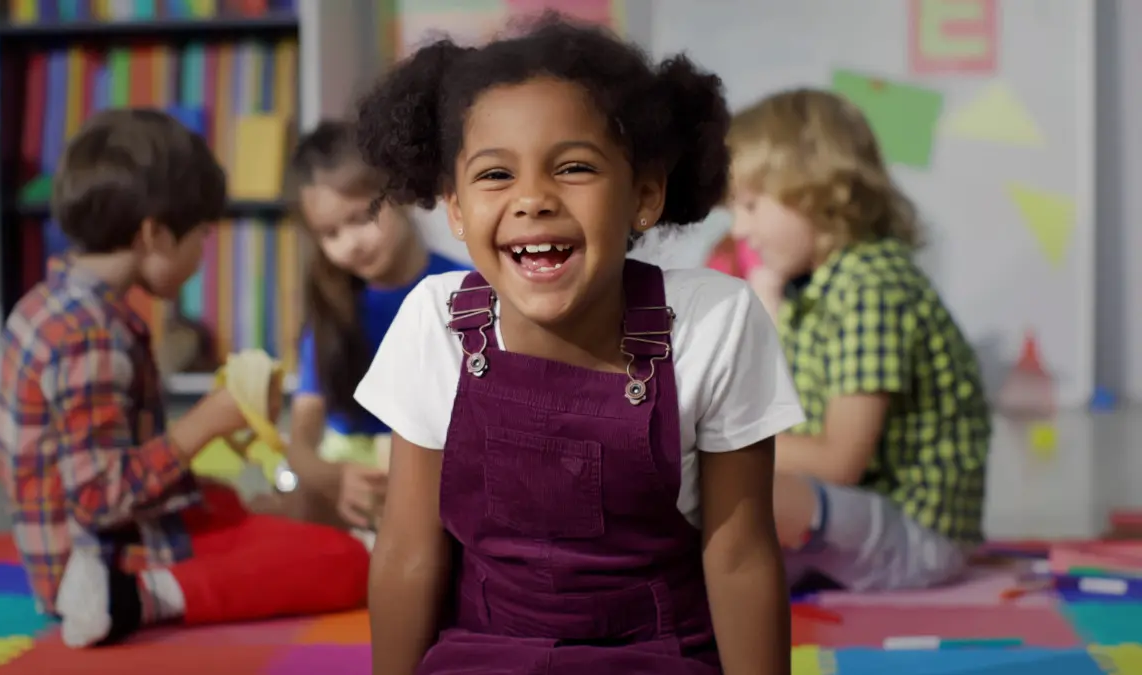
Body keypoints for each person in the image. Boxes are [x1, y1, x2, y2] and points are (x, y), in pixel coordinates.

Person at [352, 16, 805, 675]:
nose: (533, 198)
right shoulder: (436, 321)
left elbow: (740, 556)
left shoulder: (713, 321)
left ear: (644, 195)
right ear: (454, 207)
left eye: (573, 167)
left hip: (659, 657)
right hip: (481, 656)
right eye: (495, 175)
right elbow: (408, 552)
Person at [0, 109, 370, 649]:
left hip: (101, 539)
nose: (203, 253)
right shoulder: (90, 336)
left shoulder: (48, 306)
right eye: (201, 237)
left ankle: (163, 573)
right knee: (346, 561)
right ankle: (135, 598)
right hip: (97, 563)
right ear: (155, 235)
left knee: (239, 507)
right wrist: (208, 422)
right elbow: (101, 498)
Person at [725, 88, 991, 592]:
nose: (739, 229)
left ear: (816, 191)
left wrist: (721, 444)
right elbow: (781, 407)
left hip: (917, 535)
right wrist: (769, 305)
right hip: (850, 516)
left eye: (751, 205)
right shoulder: (820, 287)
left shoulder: (870, 286)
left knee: (739, 489)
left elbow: (837, 461)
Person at [254, 121, 467, 530]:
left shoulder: (463, 289)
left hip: (438, 461)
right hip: (351, 473)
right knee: (286, 510)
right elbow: (300, 443)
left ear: (400, 192)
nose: (349, 242)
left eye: (361, 217)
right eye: (330, 233)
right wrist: (334, 479)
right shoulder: (336, 307)